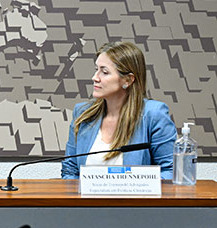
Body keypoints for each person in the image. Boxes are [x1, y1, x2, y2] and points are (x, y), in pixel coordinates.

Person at [62, 41, 176, 179]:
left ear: (128, 80)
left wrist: (138, 190)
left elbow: (171, 171)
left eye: (104, 72)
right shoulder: (82, 113)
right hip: (86, 200)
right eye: (96, 69)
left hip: (137, 200)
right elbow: (70, 170)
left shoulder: (153, 114)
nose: (95, 78)